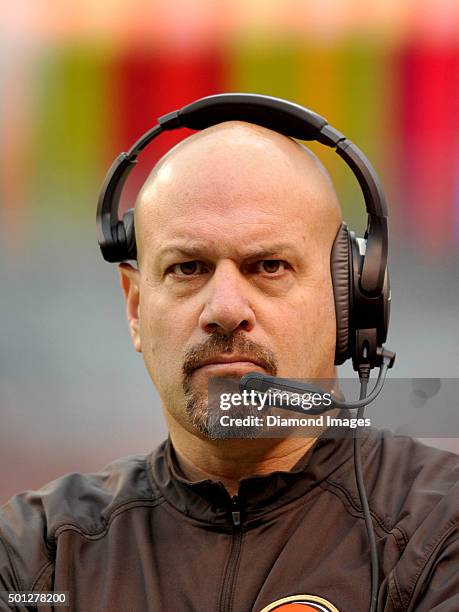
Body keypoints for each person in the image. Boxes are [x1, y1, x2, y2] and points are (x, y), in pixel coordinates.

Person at [1, 120, 459, 612]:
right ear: (135, 308)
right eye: (188, 268)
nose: (224, 309)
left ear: (349, 300)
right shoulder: (39, 552)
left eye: (268, 266)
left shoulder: (440, 529)